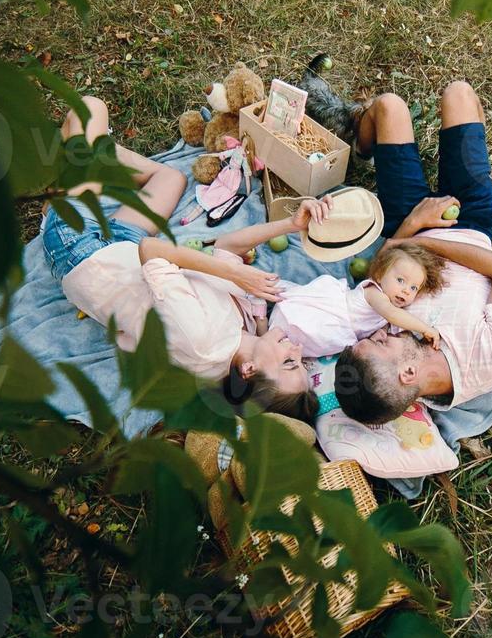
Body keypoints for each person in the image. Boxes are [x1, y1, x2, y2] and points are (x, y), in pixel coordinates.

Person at [39, 96, 324, 423]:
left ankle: (65, 187)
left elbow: (151, 249)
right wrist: (292, 224)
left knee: (90, 108)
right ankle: (85, 158)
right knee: (171, 179)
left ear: (248, 371)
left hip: (82, 253)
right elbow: (228, 246)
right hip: (122, 254)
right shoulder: (240, 333)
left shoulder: (202, 340)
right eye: (301, 361)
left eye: (289, 362)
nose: (298, 351)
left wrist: (241, 278)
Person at [334, 81, 492, 425]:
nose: (378, 333)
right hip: (471, 222)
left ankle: (360, 146)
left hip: (409, 222)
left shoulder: (389, 351)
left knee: (390, 106)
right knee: (459, 94)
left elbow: (383, 263)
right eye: (380, 343)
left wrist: (415, 222)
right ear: (408, 373)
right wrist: (427, 240)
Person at [269, 242, 447, 356]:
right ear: (379, 275)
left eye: (413, 288)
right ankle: (270, 334)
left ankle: (273, 341)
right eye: (400, 280)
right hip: (328, 316)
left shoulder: (387, 305)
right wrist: (424, 328)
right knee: (300, 332)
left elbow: (380, 324)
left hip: (339, 327)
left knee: (289, 347)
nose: (406, 291)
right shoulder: (375, 294)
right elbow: (391, 314)